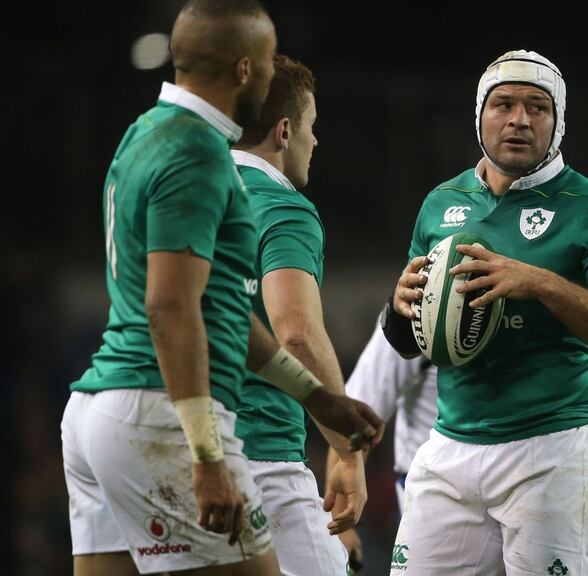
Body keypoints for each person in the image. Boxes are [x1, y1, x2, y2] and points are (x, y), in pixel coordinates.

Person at [60, 2, 381, 574]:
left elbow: (222, 309)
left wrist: (317, 398)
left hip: (95, 411)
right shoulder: (199, 153)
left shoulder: (143, 134)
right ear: (245, 70)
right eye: (267, 59)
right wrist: (207, 455)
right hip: (159, 411)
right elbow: (170, 307)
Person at [380, 49, 588, 575]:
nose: (519, 120)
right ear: (480, 115)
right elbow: (411, 341)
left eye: (537, 107)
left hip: (554, 451)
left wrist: (540, 283)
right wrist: (398, 311)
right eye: (503, 104)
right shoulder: (440, 203)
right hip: (450, 446)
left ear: (558, 123)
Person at [231, 54, 368, 576]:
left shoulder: (186, 194)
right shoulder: (282, 207)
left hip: (172, 445)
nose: (316, 141)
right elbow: (297, 336)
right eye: (311, 126)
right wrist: (347, 451)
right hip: (261, 454)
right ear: (284, 131)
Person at [338, 324, 588, 570]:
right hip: (437, 492)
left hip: (537, 479)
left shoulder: (557, 314)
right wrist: (343, 523)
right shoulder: (428, 310)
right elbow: (357, 411)